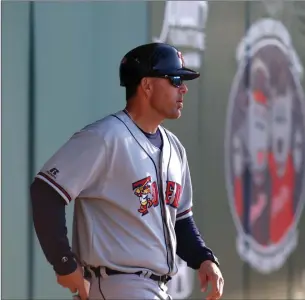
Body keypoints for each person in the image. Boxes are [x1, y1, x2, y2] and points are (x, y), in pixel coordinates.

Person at [30, 42, 224, 300]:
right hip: (116, 283)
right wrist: (63, 260)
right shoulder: (105, 137)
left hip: (155, 287)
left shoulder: (175, 148)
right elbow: (46, 191)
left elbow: (180, 220)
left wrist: (203, 257)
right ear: (146, 85)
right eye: (175, 79)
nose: (184, 89)